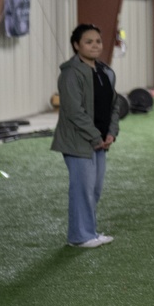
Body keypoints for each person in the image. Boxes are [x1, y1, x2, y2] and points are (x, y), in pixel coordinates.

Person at [51, 23, 120, 248]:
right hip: (78, 142)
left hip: (100, 142)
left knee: (94, 189)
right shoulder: (71, 73)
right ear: (76, 45)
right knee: (82, 189)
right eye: (88, 42)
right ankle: (79, 237)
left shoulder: (105, 72)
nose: (95, 45)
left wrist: (111, 132)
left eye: (98, 41)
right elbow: (73, 110)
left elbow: (114, 104)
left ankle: (89, 231)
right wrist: (95, 136)